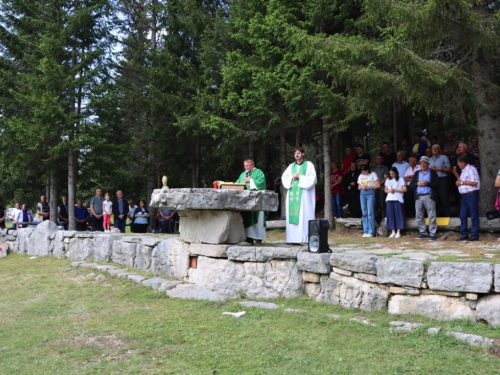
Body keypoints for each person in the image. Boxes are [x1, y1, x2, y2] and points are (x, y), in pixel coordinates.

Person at [281, 147, 317, 244]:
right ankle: (292, 239)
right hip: (293, 194)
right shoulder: (291, 166)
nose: (296, 155)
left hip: (304, 196)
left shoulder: (309, 165)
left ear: (303, 154)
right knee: (293, 216)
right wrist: (291, 177)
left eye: (298, 153)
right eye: (295, 153)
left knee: (304, 215)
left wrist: (300, 177)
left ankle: (304, 238)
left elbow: (313, 179)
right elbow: (284, 178)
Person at [236, 159, 267, 243]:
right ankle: (248, 237)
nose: (246, 167)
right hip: (246, 201)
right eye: (245, 166)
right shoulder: (243, 174)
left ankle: (258, 238)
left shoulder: (258, 172)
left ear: (252, 165)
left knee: (258, 220)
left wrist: (251, 181)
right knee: (247, 219)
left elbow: (261, 183)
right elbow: (237, 185)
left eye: (248, 165)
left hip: (257, 201)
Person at [409, 156, 439, 241]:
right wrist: (417, 183)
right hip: (418, 197)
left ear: (428, 164)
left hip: (429, 196)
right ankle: (423, 233)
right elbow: (411, 185)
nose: (423, 165)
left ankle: (432, 234)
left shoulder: (433, 173)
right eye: (421, 163)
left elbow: (437, 184)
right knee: (418, 216)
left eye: (424, 163)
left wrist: (427, 183)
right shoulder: (417, 173)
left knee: (431, 215)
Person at [456, 156, 480, 241]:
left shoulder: (471, 170)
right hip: (464, 196)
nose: (458, 164)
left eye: (458, 163)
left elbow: (475, 182)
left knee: (473, 215)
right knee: (462, 215)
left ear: (463, 163)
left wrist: (461, 182)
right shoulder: (464, 171)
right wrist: (460, 183)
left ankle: (474, 235)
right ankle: (464, 234)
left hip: (471, 195)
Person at [428, 144, 452, 217]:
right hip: (433, 181)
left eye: (436, 148)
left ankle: (449, 219)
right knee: (434, 201)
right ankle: (437, 219)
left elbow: (449, 169)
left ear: (439, 150)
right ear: (431, 150)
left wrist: (440, 169)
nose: (435, 150)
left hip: (442, 180)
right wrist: (430, 169)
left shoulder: (444, 157)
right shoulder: (429, 160)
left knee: (444, 200)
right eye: (433, 148)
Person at [358, 165, 380, 237]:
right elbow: (358, 187)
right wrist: (362, 187)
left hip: (370, 192)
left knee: (370, 212)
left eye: (365, 171)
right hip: (362, 193)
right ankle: (365, 230)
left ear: (368, 170)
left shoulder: (373, 174)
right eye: (363, 172)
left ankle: (371, 231)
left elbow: (378, 185)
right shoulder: (360, 176)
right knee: (364, 212)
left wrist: (370, 186)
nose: (364, 173)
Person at [385, 167, 407, 238]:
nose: (392, 175)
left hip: (398, 198)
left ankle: (398, 231)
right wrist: (389, 191)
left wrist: (396, 190)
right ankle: (393, 231)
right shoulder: (388, 179)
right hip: (389, 198)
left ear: (396, 173)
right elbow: (385, 190)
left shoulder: (400, 179)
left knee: (398, 214)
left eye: (393, 173)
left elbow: (405, 189)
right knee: (390, 215)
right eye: (390, 174)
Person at [372, 155, 388, 223]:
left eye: (379, 158)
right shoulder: (373, 168)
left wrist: (379, 184)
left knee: (382, 203)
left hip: (382, 188)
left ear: (382, 160)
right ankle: (376, 217)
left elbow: (385, 178)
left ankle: (384, 216)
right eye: (376, 158)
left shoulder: (385, 168)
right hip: (374, 188)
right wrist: (375, 185)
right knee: (374, 203)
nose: (378, 160)